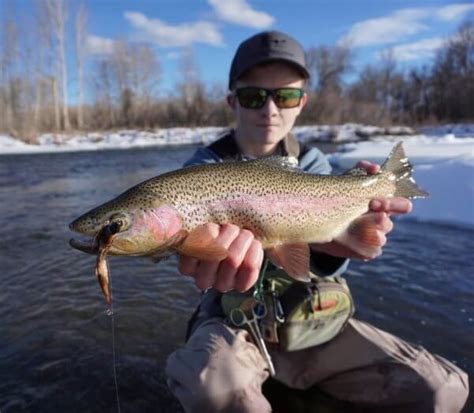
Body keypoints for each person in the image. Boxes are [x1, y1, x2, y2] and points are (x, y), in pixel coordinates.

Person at [165, 31, 469, 412]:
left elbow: (328, 251)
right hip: (233, 320)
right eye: (254, 96)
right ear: (232, 101)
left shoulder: (313, 166)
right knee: (214, 392)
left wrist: (344, 240)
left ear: (302, 103)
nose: (270, 109)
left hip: (309, 316)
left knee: (443, 389)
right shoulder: (201, 171)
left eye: (286, 96)